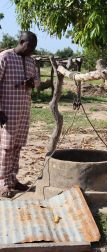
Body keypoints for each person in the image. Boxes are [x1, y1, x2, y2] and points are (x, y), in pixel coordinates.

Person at [0, 31, 39, 198]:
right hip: (7, 111)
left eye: (34, 48)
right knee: (6, 147)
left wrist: (31, 83)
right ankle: (2, 183)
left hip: (23, 111)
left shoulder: (31, 61)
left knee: (17, 146)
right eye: (30, 47)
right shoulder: (5, 57)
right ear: (21, 41)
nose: (32, 51)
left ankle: (13, 179)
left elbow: (36, 82)